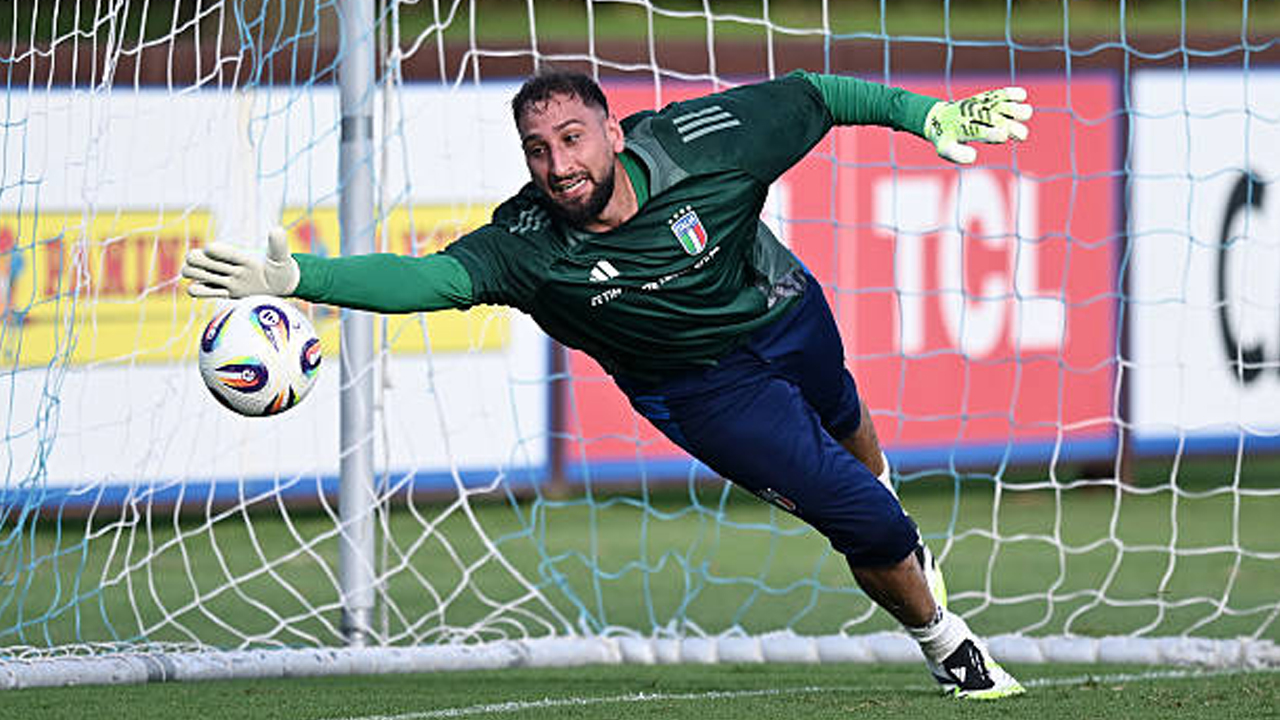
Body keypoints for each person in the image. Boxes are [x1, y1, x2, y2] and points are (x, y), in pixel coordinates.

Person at [182, 68, 1031, 699]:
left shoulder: (709, 142)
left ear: (614, 133)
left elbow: (819, 95)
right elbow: (428, 279)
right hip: (697, 388)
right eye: (537, 150)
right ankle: (945, 644)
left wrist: (931, 116)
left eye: (573, 139)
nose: (558, 165)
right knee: (865, 520)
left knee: (841, 407)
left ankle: (885, 499)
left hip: (777, 302)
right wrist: (300, 279)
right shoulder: (526, 245)